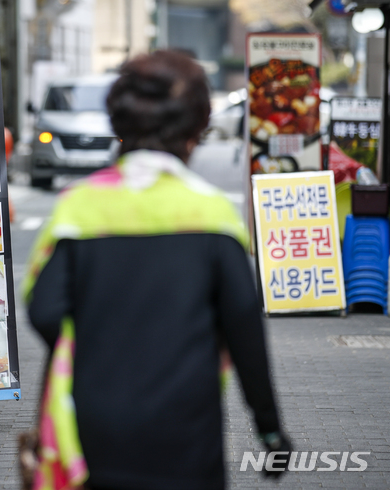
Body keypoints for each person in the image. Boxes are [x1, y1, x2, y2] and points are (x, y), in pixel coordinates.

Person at [23, 50, 291, 489]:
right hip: (187, 431)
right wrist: (269, 429)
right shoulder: (212, 214)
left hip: (93, 427)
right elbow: (244, 327)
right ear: (198, 128)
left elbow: (45, 310)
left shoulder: (79, 208)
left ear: (119, 123)